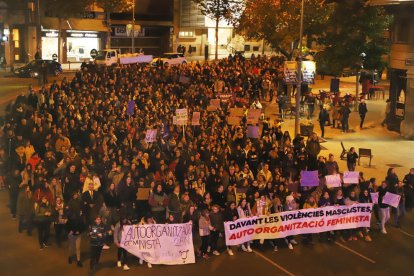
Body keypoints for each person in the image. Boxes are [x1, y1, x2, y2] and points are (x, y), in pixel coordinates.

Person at [66, 199, 85, 268]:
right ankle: (70, 257)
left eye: (81, 211)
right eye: (80, 211)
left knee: (78, 247)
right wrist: (71, 231)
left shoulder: (81, 218)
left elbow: (83, 227)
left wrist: (79, 231)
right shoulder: (71, 217)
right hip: (71, 234)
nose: (81, 212)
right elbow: (68, 225)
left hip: (78, 235)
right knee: (71, 247)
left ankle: (78, 260)